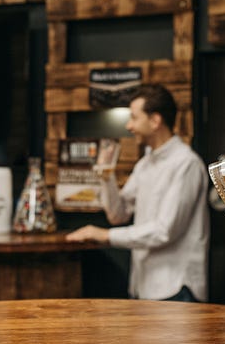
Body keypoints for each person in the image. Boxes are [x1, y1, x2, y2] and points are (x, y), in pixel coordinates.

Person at [67, 84, 209, 302]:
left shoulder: (186, 163)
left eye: (134, 117)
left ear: (155, 120)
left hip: (176, 289)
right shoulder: (145, 164)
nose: (128, 125)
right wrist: (106, 177)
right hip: (143, 287)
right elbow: (118, 215)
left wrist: (105, 236)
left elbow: (165, 231)